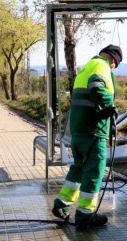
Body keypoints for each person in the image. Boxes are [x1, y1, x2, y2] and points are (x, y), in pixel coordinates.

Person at [52, 44, 122, 229]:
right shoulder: (102, 66)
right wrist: (110, 106)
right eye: (116, 64)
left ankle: (62, 204)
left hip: (79, 129)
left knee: (78, 169)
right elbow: (97, 88)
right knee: (93, 172)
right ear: (113, 59)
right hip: (94, 131)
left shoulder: (87, 67)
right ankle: (86, 214)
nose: (113, 67)